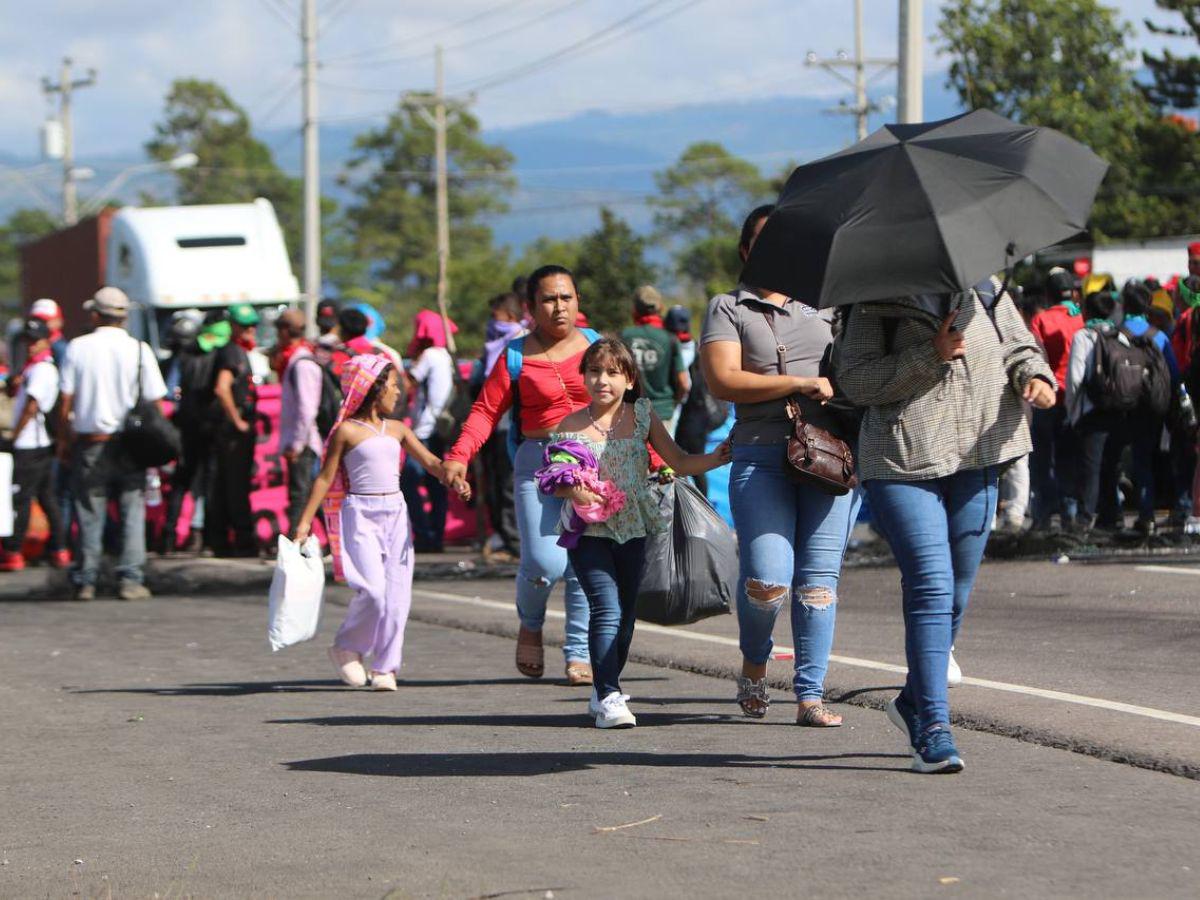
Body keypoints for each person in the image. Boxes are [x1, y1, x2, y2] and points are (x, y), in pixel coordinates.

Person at [837, 276, 1055, 773]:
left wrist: (1034, 376)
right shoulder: (873, 295)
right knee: (932, 585)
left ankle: (912, 700)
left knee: (956, 591)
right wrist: (930, 355)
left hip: (980, 452)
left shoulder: (986, 286)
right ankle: (933, 728)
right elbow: (857, 380)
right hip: (902, 458)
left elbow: (1019, 346)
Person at [701, 205, 862, 728]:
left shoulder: (831, 304)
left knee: (817, 585)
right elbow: (723, 380)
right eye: (762, 241)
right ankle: (755, 659)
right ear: (745, 250)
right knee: (767, 582)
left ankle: (810, 696)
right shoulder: (728, 308)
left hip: (829, 456)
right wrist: (798, 383)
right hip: (760, 453)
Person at [549, 339, 730, 727]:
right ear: (583, 377)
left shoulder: (643, 415)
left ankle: (603, 688)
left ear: (630, 380)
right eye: (594, 371)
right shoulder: (569, 425)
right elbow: (554, 480)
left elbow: (679, 460)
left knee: (626, 615)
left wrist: (717, 458)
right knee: (607, 609)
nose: (602, 380)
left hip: (635, 529)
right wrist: (576, 490)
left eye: (613, 372)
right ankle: (609, 695)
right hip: (588, 534)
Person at [442, 265, 599, 686]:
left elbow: (631, 404)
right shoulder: (515, 355)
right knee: (545, 562)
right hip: (538, 464)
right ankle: (531, 623)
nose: (559, 307)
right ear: (530, 307)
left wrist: (658, 458)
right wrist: (459, 455)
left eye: (566, 297)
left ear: (578, 301)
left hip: (594, 463)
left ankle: (579, 652)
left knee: (584, 562)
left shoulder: (597, 347)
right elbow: (485, 411)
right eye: (549, 299)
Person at [292, 355, 469, 691]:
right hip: (360, 513)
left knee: (397, 594)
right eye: (392, 385)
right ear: (372, 388)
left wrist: (454, 478)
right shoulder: (347, 431)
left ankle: (385, 666)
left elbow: (432, 463)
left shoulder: (398, 429)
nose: (398, 392)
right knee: (373, 590)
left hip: (395, 513)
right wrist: (303, 523)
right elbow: (325, 478)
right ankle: (347, 647)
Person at [57, 287, 168, 601]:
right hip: (131, 445)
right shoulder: (139, 350)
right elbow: (156, 402)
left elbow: (65, 401)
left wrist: (63, 440)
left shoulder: (78, 348)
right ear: (124, 317)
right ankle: (130, 578)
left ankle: (86, 579)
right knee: (132, 509)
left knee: (89, 510)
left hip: (91, 442)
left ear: (95, 315)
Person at [1098, 281, 1178, 535]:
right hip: (1151, 406)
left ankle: (1113, 514)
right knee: (1144, 460)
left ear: (1123, 304)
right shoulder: (1159, 336)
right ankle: (1146, 514)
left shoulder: (1113, 335)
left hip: (1120, 406)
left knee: (1112, 460)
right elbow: (1174, 374)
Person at [0, 318, 67, 571]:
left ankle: (13, 550)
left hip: (31, 443)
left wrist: (14, 436)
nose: (30, 345)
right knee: (46, 497)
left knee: (21, 497)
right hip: (36, 442)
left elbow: (31, 406)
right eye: (27, 340)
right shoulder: (32, 368)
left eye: (35, 341)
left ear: (46, 341)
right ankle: (58, 548)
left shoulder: (43, 369)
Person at [1029, 270, 1084, 530]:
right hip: (1075, 400)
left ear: (1047, 294)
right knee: (1069, 458)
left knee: (1043, 460)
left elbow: (1034, 358)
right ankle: (1069, 513)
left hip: (1046, 399)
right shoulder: (1080, 318)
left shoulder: (1040, 320)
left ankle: (1043, 516)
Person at [207, 303, 261, 557]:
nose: (250, 330)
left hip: (229, 430)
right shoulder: (231, 352)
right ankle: (242, 539)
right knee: (235, 486)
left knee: (226, 484)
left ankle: (221, 539)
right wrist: (237, 420)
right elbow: (222, 387)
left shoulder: (237, 351)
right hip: (231, 432)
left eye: (253, 325)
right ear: (233, 326)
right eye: (245, 325)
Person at [402, 309, 456, 552]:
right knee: (436, 485)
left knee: (408, 481)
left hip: (425, 429)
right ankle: (436, 535)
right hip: (441, 427)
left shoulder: (430, 355)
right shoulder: (447, 356)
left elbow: (408, 382)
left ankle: (424, 534)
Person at [477, 292, 525, 562]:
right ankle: (508, 540)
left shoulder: (521, 344)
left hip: (516, 427)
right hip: (498, 426)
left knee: (510, 485)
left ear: (511, 316)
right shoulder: (494, 347)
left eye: (496, 317)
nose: (492, 323)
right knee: (500, 484)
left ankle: (515, 544)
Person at [274, 310, 323, 535]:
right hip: (301, 441)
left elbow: (307, 409)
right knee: (309, 496)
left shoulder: (302, 363)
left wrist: (296, 444)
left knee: (300, 496)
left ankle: (294, 544)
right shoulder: (296, 360)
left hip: (304, 444)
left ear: (285, 331)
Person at [621, 286, 689, 434]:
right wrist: (673, 404)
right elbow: (684, 383)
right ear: (660, 308)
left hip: (630, 412)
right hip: (663, 412)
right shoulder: (670, 338)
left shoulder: (624, 336)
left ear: (635, 309)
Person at [29, 298, 68, 367]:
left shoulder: (61, 348)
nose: (39, 324)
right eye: (36, 320)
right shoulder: (25, 345)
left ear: (59, 321)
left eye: (45, 320)